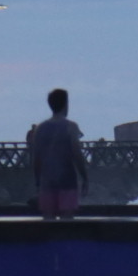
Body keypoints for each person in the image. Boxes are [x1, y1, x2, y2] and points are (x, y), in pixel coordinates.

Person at [28, 88, 87, 219]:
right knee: (67, 222)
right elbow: (77, 154)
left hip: (47, 182)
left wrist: (38, 181)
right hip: (68, 181)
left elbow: (36, 158)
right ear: (66, 104)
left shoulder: (40, 128)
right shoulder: (71, 127)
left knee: (48, 222)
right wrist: (84, 177)